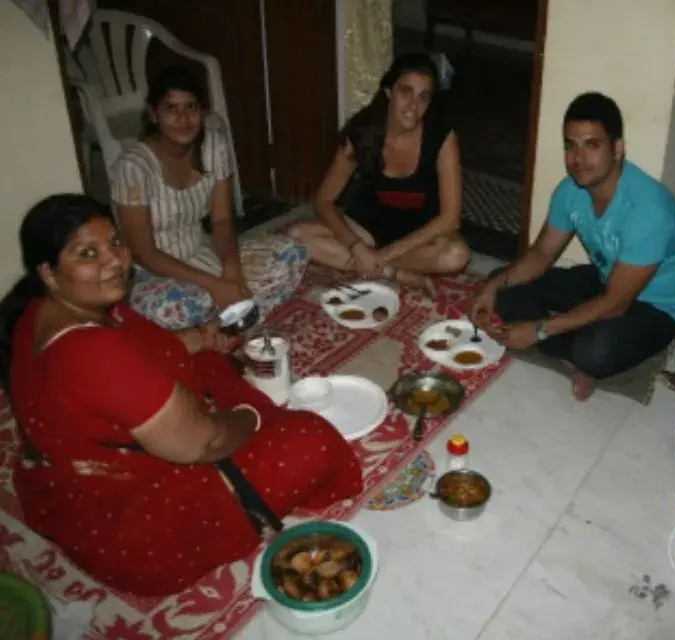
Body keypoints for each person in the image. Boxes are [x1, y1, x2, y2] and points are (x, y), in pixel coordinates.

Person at [3, 194, 362, 597]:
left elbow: (151, 349)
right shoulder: (93, 352)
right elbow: (203, 444)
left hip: (76, 479)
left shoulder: (38, 310)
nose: (114, 261)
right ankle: (264, 429)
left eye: (115, 243)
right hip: (134, 525)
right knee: (312, 440)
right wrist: (252, 414)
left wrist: (198, 339)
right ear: (49, 272)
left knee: (208, 360)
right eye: (88, 253)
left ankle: (247, 415)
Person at [469, 92, 675, 400]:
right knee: (504, 284)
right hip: (607, 278)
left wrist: (539, 330)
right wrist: (493, 286)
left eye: (592, 145)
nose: (578, 158)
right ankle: (571, 348)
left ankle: (577, 353)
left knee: (595, 351)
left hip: (656, 307)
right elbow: (541, 254)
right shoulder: (571, 190)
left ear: (617, 149)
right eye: (571, 145)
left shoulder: (648, 211)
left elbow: (615, 304)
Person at [111, 66, 307, 331]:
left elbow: (222, 220)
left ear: (202, 111)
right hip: (155, 273)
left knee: (290, 253)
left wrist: (231, 269)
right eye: (171, 108)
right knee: (191, 304)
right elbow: (143, 253)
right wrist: (214, 285)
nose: (183, 118)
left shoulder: (213, 146)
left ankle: (230, 323)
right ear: (153, 114)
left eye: (191, 107)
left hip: (202, 253)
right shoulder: (133, 167)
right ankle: (222, 324)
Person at [287, 53, 470, 294]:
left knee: (456, 254)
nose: (413, 106)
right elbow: (323, 201)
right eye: (406, 92)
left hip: (418, 238)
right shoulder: (362, 133)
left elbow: (450, 218)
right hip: (367, 229)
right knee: (296, 235)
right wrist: (355, 246)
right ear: (388, 92)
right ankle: (396, 273)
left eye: (423, 97)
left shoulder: (443, 139)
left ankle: (374, 265)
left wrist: (382, 255)